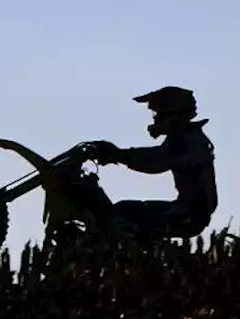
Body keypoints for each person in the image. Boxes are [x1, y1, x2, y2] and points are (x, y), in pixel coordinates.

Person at [88, 86, 219, 239]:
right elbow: (156, 155)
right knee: (123, 209)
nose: (155, 118)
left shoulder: (189, 142)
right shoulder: (181, 137)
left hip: (188, 216)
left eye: (158, 114)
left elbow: (156, 161)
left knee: (119, 218)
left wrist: (118, 155)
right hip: (185, 211)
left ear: (174, 115)